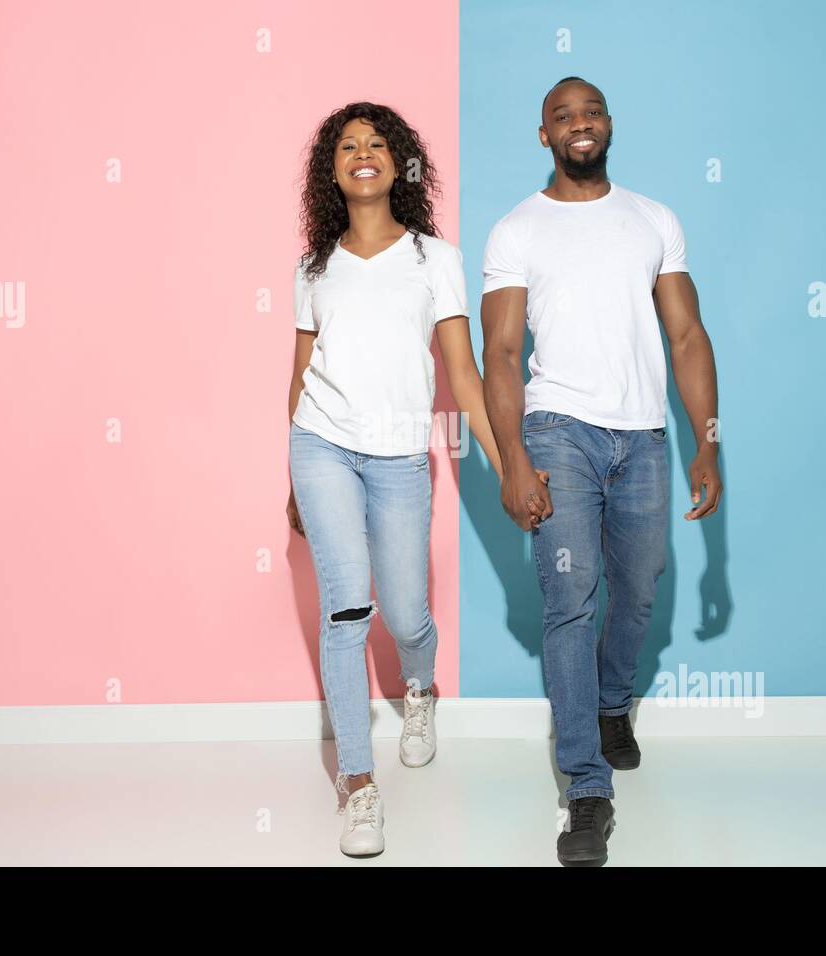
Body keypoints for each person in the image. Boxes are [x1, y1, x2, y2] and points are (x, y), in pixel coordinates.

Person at [286, 101, 545, 858]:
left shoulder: (438, 259)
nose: (362, 152)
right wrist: (293, 480)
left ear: (400, 162)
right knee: (347, 611)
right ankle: (358, 788)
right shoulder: (312, 267)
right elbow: (298, 379)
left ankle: (420, 690)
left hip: (401, 455)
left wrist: (509, 468)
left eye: (377, 143)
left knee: (404, 611)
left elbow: (463, 376)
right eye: (346, 145)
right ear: (330, 172)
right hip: (321, 447)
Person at [480, 76, 723, 867]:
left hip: (643, 437)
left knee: (641, 588)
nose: (578, 125)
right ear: (543, 134)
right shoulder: (517, 230)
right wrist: (514, 457)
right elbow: (503, 355)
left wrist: (707, 441)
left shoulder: (654, 219)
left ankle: (614, 700)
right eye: (562, 116)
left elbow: (687, 337)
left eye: (590, 113)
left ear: (609, 125)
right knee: (570, 602)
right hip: (558, 433)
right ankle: (585, 790)